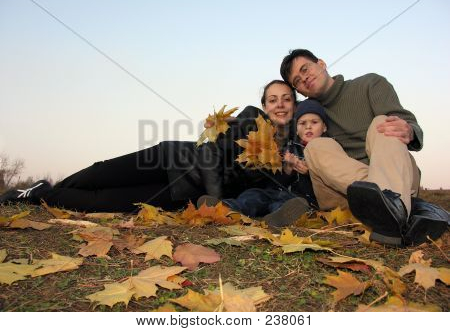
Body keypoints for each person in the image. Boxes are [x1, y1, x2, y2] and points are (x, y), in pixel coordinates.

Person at [0, 80, 296, 213]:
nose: (279, 104)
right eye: (273, 99)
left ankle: (42, 194)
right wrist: (215, 201)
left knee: (101, 203)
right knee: (99, 172)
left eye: (286, 98)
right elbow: (210, 152)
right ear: (264, 105)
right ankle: (37, 190)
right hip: (171, 160)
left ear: (295, 105)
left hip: (180, 196)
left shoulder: (291, 151)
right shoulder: (250, 119)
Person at [279, 48, 448, 245]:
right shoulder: (309, 114)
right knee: (315, 146)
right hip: (342, 195)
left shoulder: (370, 84)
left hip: (396, 174)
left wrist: (409, 130)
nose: (304, 79)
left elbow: (406, 123)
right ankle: (401, 208)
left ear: (322, 64)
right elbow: (277, 124)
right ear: (299, 91)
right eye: (297, 81)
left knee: (382, 123)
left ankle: (390, 206)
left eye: (305, 69)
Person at [220, 99, 328, 227]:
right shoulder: (292, 147)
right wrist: (287, 169)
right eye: (302, 123)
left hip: (301, 198)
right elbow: (280, 180)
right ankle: (227, 207)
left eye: (314, 122)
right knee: (254, 195)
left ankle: (279, 218)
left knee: (283, 205)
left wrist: (307, 174)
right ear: (297, 129)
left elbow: (327, 182)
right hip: (278, 191)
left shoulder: (327, 148)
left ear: (325, 127)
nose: (308, 126)